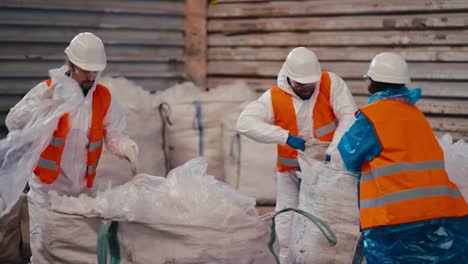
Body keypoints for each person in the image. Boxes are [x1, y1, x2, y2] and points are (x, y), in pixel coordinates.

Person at [5, 32, 139, 263]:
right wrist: (40, 103)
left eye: (95, 70)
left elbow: (115, 134)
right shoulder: (48, 90)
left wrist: (128, 148)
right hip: (46, 195)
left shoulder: (104, 98)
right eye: (85, 70)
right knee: (43, 256)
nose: (91, 76)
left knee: (77, 256)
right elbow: (14, 122)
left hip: (82, 196)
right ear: (70, 64)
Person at [338, 52, 468, 263]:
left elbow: (349, 156)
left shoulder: (372, 117)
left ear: (373, 82)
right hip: (444, 212)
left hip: (394, 220)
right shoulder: (415, 114)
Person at [237, 47, 357, 263]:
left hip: (325, 171)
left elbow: (348, 116)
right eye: (300, 84)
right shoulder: (274, 97)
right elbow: (244, 123)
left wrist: (333, 151)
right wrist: (285, 137)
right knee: (286, 224)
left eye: (309, 84)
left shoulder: (330, 84)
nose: (305, 88)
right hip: (290, 172)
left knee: (325, 223)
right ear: (289, 78)